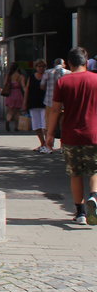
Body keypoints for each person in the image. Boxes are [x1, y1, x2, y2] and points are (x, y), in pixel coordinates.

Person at [45, 48, 97, 225]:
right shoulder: (96, 80)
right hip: (94, 134)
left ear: (70, 63)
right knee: (94, 170)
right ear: (86, 61)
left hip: (71, 135)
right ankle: (94, 197)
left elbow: (55, 110)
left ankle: (80, 213)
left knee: (75, 173)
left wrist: (50, 135)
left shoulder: (64, 82)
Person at [40, 57, 68, 151]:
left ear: (54, 64)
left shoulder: (48, 72)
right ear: (63, 64)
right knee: (63, 125)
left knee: (49, 125)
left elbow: (42, 86)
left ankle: (49, 146)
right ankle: (62, 146)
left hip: (50, 101)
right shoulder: (68, 73)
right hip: (64, 103)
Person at [26, 59, 49, 153]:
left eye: (43, 66)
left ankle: (47, 145)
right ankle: (42, 143)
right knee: (36, 125)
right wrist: (24, 103)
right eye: (39, 66)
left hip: (45, 103)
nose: (41, 68)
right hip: (33, 102)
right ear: (36, 67)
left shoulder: (47, 76)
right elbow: (27, 89)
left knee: (45, 125)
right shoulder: (31, 77)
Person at [1, 64, 26, 132]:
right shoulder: (20, 76)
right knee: (17, 112)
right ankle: (16, 127)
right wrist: (26, 93)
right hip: (18, 94)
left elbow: (4, 84)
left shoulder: (8, 76)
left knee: (10, 111)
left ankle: (8, 121)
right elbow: (23, 86)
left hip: (10, 94)